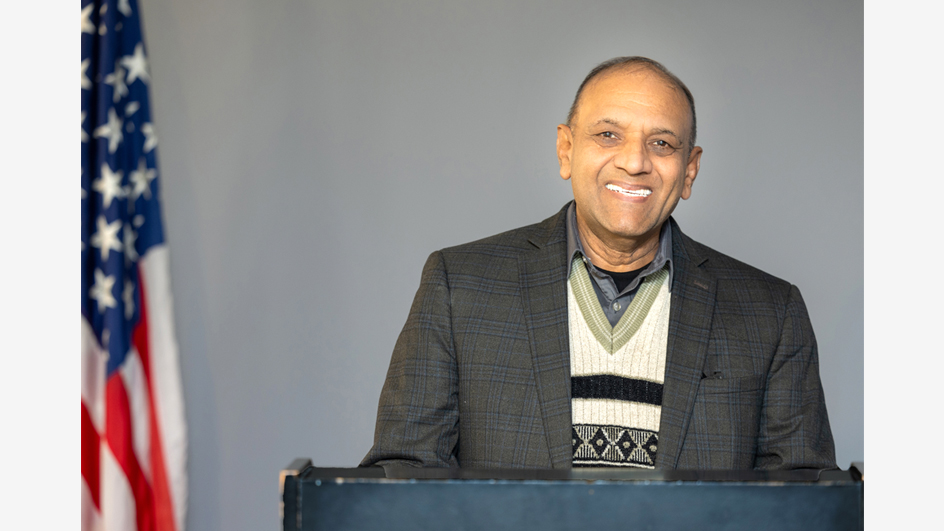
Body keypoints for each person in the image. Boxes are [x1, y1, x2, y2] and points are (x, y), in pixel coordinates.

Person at [361, 56, 836, 470]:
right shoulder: (459, 286)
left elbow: (801, 500)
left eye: (662, 144)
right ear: (567, 149)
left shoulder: (771, 312)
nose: (634, 162)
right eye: (608, 134)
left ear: (689, 170)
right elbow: (406, 474)